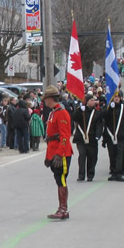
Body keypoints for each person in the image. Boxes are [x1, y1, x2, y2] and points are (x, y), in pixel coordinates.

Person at [42, 86, 73, 220]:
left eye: (45, 99)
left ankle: (63, 209)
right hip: (53, 151)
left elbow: (65, 136)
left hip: (62, 153)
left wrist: (59, 154)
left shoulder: (62, 113)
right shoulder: (53, 112)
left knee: (61, 180)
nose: (44, 101)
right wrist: (48, 156)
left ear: (50, 99)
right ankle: (61, 208)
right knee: (58, 179)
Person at [102, 90, 124, 182]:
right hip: (110, 136)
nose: (116, 98)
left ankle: (118, 173)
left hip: (121, 135)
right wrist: (109, 108)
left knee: (120, 154)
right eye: (114, 97)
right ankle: (113, 171)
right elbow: (103, 117)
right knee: (112, 154)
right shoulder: (108, 108)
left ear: (120, 98)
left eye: (118, 97)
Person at [71, 94, 102, 181]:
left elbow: (99, 125)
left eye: (93, 100)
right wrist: (80, 111)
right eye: (91, 100)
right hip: (81, 138)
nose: (93, 102)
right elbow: (74, 118)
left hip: (92, 138)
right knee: (82, 155)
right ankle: (81, 175)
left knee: (92, 157)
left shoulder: (96, 113)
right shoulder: (81, 111)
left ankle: (90, 175)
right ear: (87, 101)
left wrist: (98, 135)